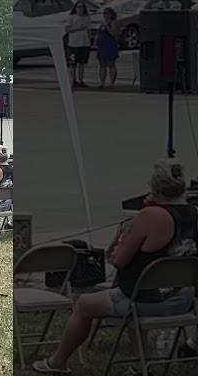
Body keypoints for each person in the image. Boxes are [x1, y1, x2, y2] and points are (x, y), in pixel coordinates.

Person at [32, 159, 198, 374]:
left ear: (154, 188)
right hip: (183, 301)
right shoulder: (195, 213)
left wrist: (126, 233)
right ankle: (141, 364)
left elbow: (118, 260)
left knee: (84, 304)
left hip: (146, 301)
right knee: (131, 294)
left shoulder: (150, 216)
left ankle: (57, 362)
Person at [66, 2, 92, 88]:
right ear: (75, 8)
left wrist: (90, 40)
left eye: (82, 7)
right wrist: (78, 28)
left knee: (82, 63)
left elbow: (89, 30)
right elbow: (67, 29)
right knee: (72, 63)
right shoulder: (71, 17)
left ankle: (81, 80)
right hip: (73, 43)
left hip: (84, 43)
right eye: (79, 7)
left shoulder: (87, 18)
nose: (81, 8)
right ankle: (74, 80)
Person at [97, 7, 120, 89]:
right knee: (102, 64)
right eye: (104, 13)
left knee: (111, 64)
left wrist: (107, 26)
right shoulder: (102, 23)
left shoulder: (113, 23)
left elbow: (114, 33)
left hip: (110, 45)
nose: (105, 15)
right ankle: (102, 82)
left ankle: (112, 83)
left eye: (107, 13)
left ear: (111, 14)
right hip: (102, 45)